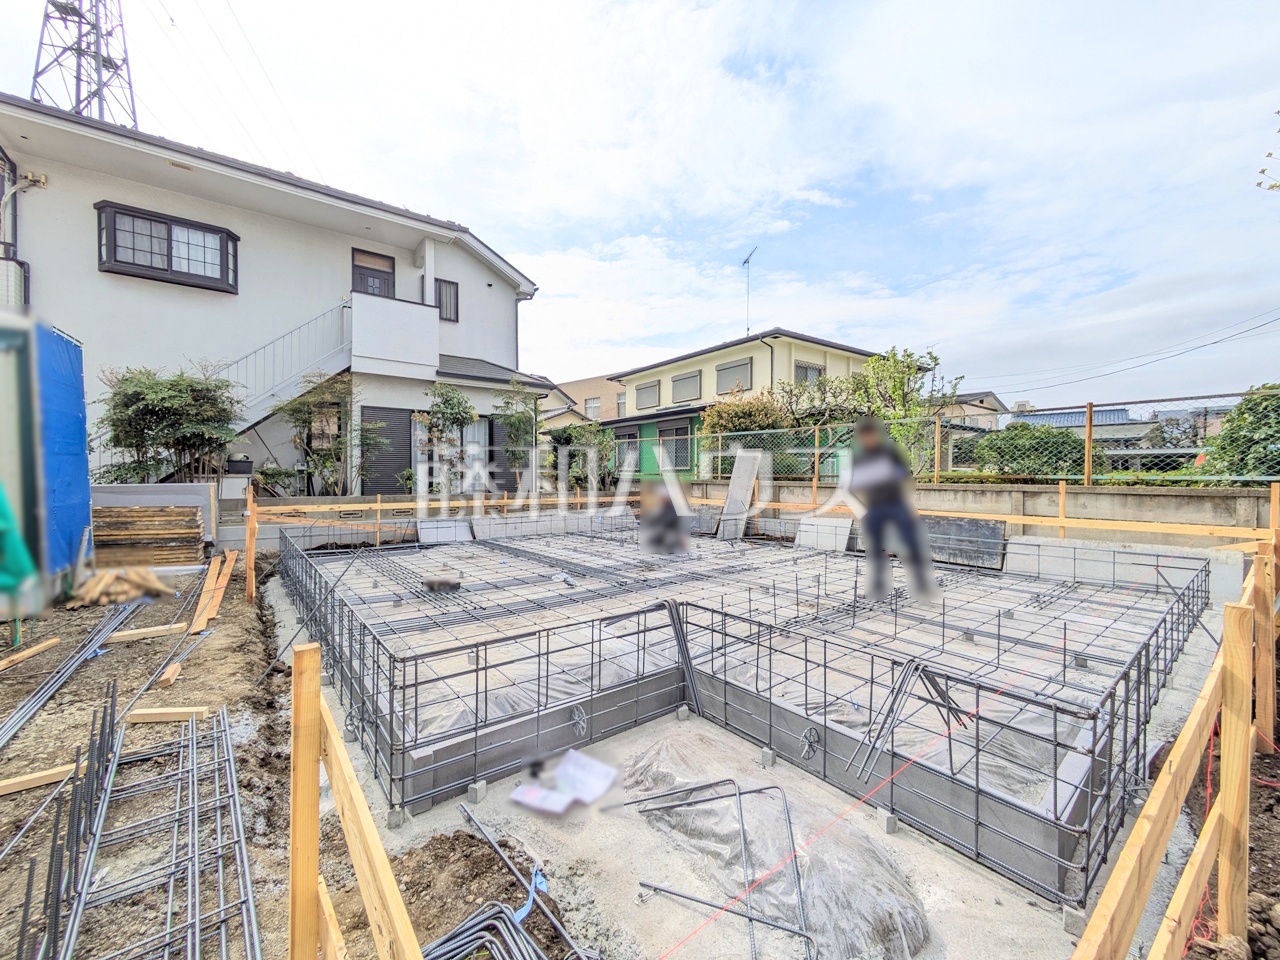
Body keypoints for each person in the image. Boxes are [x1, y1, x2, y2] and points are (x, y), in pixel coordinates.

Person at [847, 416, 938, 601]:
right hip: (874, 507)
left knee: (910, 544)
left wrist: (909, 504)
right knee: (875, 549)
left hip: (897, 503)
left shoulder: (890, 452)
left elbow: (905, 478)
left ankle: (922, 585)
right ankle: (877, 588)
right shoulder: (859, 457)